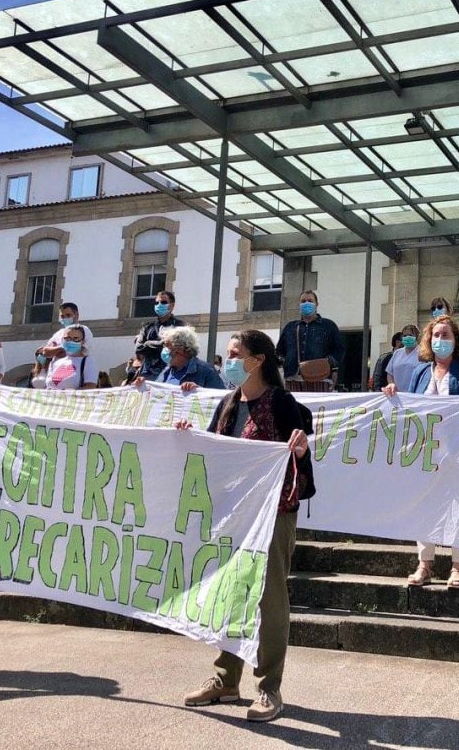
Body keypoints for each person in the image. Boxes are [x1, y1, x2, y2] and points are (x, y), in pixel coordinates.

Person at [180, 330, 312, 722]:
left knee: (269, 600)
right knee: (230, 594)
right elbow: (215, 453)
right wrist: (187, 437)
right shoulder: (228, 403)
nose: (230, 361)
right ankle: (225, 679)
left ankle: (269, 687)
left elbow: (302, 464)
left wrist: (300, 451)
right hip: (234, 515)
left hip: (273, 516)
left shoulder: (282, 403)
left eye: (236, 354)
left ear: (257, 361)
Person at [382, 314, 459, 589]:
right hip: (426, 451)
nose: (440, 340)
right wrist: (394, 393)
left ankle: (457, 567)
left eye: (445, 335)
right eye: (435, 335)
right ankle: (424, 564)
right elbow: (410, 407)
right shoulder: (420, 372)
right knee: (425, 505)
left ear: (456, 340)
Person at [275, 289, 345, 392]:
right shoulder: (290, 327)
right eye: (303, 301)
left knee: (319, 403)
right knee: (293, 403)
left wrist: (329, 362)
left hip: (320, 377)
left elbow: (339, 349)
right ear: (299, 305)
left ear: (316, 305)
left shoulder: (329, 325)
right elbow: (279, 351)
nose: (306, 303)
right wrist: (284, 363)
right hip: (292, 379)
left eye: (310, 301)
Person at [134, 290, 187, 379]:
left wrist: (147, 343)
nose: (159, 305)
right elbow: (139, 348)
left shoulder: (180, 326)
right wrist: (162, 344)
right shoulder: (147, 327)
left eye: (163, 302)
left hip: (172, 375)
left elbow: (180, 349)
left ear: (172, 305)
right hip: (147, 375)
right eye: (157, 303)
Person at [154, 326, 225, 390]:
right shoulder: (167, 370)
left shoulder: (206, 371)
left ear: (180, 348)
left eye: (167, 346)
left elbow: (221, 397)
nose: (164, 350)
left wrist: (199, 391)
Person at [44, 325, 97, 390]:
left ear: (83, 341)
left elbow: (90, 386)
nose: (71, 341)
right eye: (67, 338)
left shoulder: (88, 361)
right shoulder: (56, 360)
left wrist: (68, 393)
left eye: (75, 338)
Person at [387, 324, 422, 393]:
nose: (407, 337)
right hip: (397, 394)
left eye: (410, 335)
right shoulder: (397, 353)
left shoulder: (422, 353)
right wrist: (391, 384)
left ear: (416, 337)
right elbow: (390, 373)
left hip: (415, 394)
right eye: (405, 336)